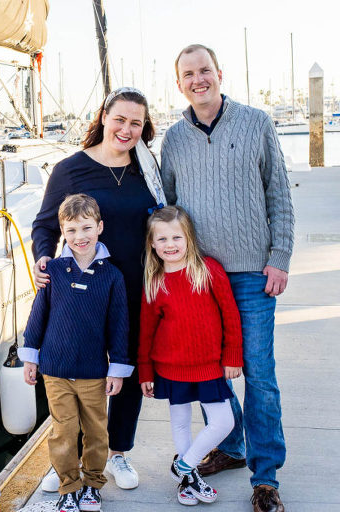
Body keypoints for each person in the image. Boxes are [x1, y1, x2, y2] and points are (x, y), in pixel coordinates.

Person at [161, 44, 294, 512]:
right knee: (209, 372)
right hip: (198, 280)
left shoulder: (256, 123)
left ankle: (266, 476)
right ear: (179, 84)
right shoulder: (174, 139)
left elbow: (279, 194)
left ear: (219, 73)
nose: (198, 80)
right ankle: (232, 446)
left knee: (259, 376)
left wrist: (280, 257)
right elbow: (168, 210)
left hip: (252, 274)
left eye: (204, 71)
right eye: (188, 74)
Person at [32, 87, 165, 490]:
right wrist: (42, 259)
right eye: (119, 119)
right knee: (75, 375)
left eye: (136, 123)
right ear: (104, 117)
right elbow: (45, 225)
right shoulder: (70, 169)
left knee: (126, 370)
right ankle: (67, 461)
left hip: (136, 287)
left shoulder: (147, 170)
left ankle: (118, 453)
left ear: (144, 128)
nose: (126, 129)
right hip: (80, 291)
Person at [20, 194, 131, 512]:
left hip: (93, 372)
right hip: (55, 369)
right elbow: (38, 316)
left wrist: (117, 367)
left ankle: (93, 484)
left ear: (100, 227)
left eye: (86, 228)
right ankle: (69, 486)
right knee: (63, 431)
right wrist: (30, 357)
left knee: (96, 430)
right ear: (62, 232)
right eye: (71, 230)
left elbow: (119, 326)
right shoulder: (53, 270)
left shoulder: (112, 276)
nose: (79, 237)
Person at [138, 205, 243, 506]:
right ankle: (189, 482)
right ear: (152, 244)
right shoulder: (155, 281)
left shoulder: (207, 269)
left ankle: (183, 466)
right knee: (181, 424)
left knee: (223, 422)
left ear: (189, 239)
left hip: (209, 365)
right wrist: (145, 371)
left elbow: (230, 315)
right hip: (171, 367)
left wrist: (232, 356)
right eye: (162, 239)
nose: (170, 245)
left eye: (176, 237)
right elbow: (146, 331)